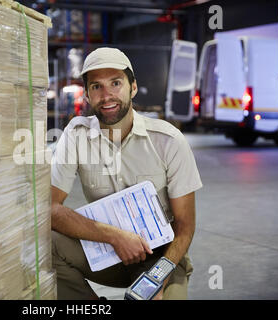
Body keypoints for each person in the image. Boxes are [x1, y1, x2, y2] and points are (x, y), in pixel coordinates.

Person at [50, 47, 203, 300]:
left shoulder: (168, 140)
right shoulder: (76, 135)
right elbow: (50, 209)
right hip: (106, 251)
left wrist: (157, 278)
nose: (107, 95)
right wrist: (114, 236)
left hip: (162, 255)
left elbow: (185, 227)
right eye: (96, 87)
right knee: (44, 244)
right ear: (87, 95)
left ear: (132, 87)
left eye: (116, 83)